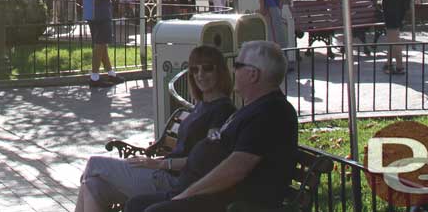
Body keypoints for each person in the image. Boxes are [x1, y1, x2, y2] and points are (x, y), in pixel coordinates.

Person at [125, 40, 299, 212]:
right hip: (207, 192)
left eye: (238, 65)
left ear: (253, 74)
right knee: (136, 204)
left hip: (232, 202)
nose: (233, 70)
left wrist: (187, 194)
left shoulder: (270, 113)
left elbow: (236, 168)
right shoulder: (256, 107)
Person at [75, 45, 235, 211]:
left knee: (94, 164)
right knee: (91, 185)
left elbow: (204, 161)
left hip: (175, 180)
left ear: (220, 71)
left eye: (207, 68)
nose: (200, 75)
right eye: (195, 70)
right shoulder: (202, 105)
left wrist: (158, 164)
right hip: (163, 170)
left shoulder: (222, 110)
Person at [82, 0, 118, 87]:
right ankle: (95, 77)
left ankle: (110, 73)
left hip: (90, 12)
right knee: (100, 44)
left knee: (100, 43)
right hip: (102, 12)